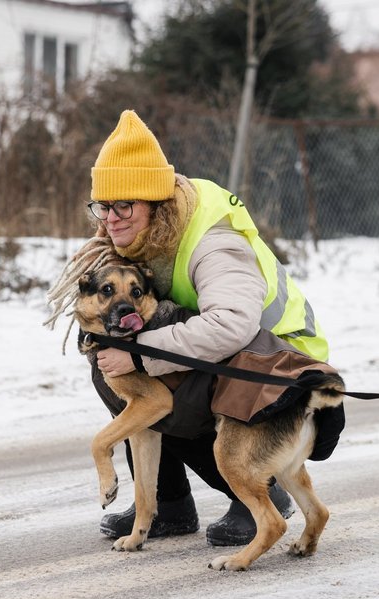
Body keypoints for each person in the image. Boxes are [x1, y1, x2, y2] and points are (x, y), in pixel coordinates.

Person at [83, 109, 343, 547]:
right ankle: (168, 504)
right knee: (117, 370)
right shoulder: (141, 239)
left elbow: (232, 325)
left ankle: (255, 496)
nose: (111, 217)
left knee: (157, 381)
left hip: (280, 362)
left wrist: (142, 352)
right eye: (103, 206)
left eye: (124, 204)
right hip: (238, 354)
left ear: (156, 202)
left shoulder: (213, 242)